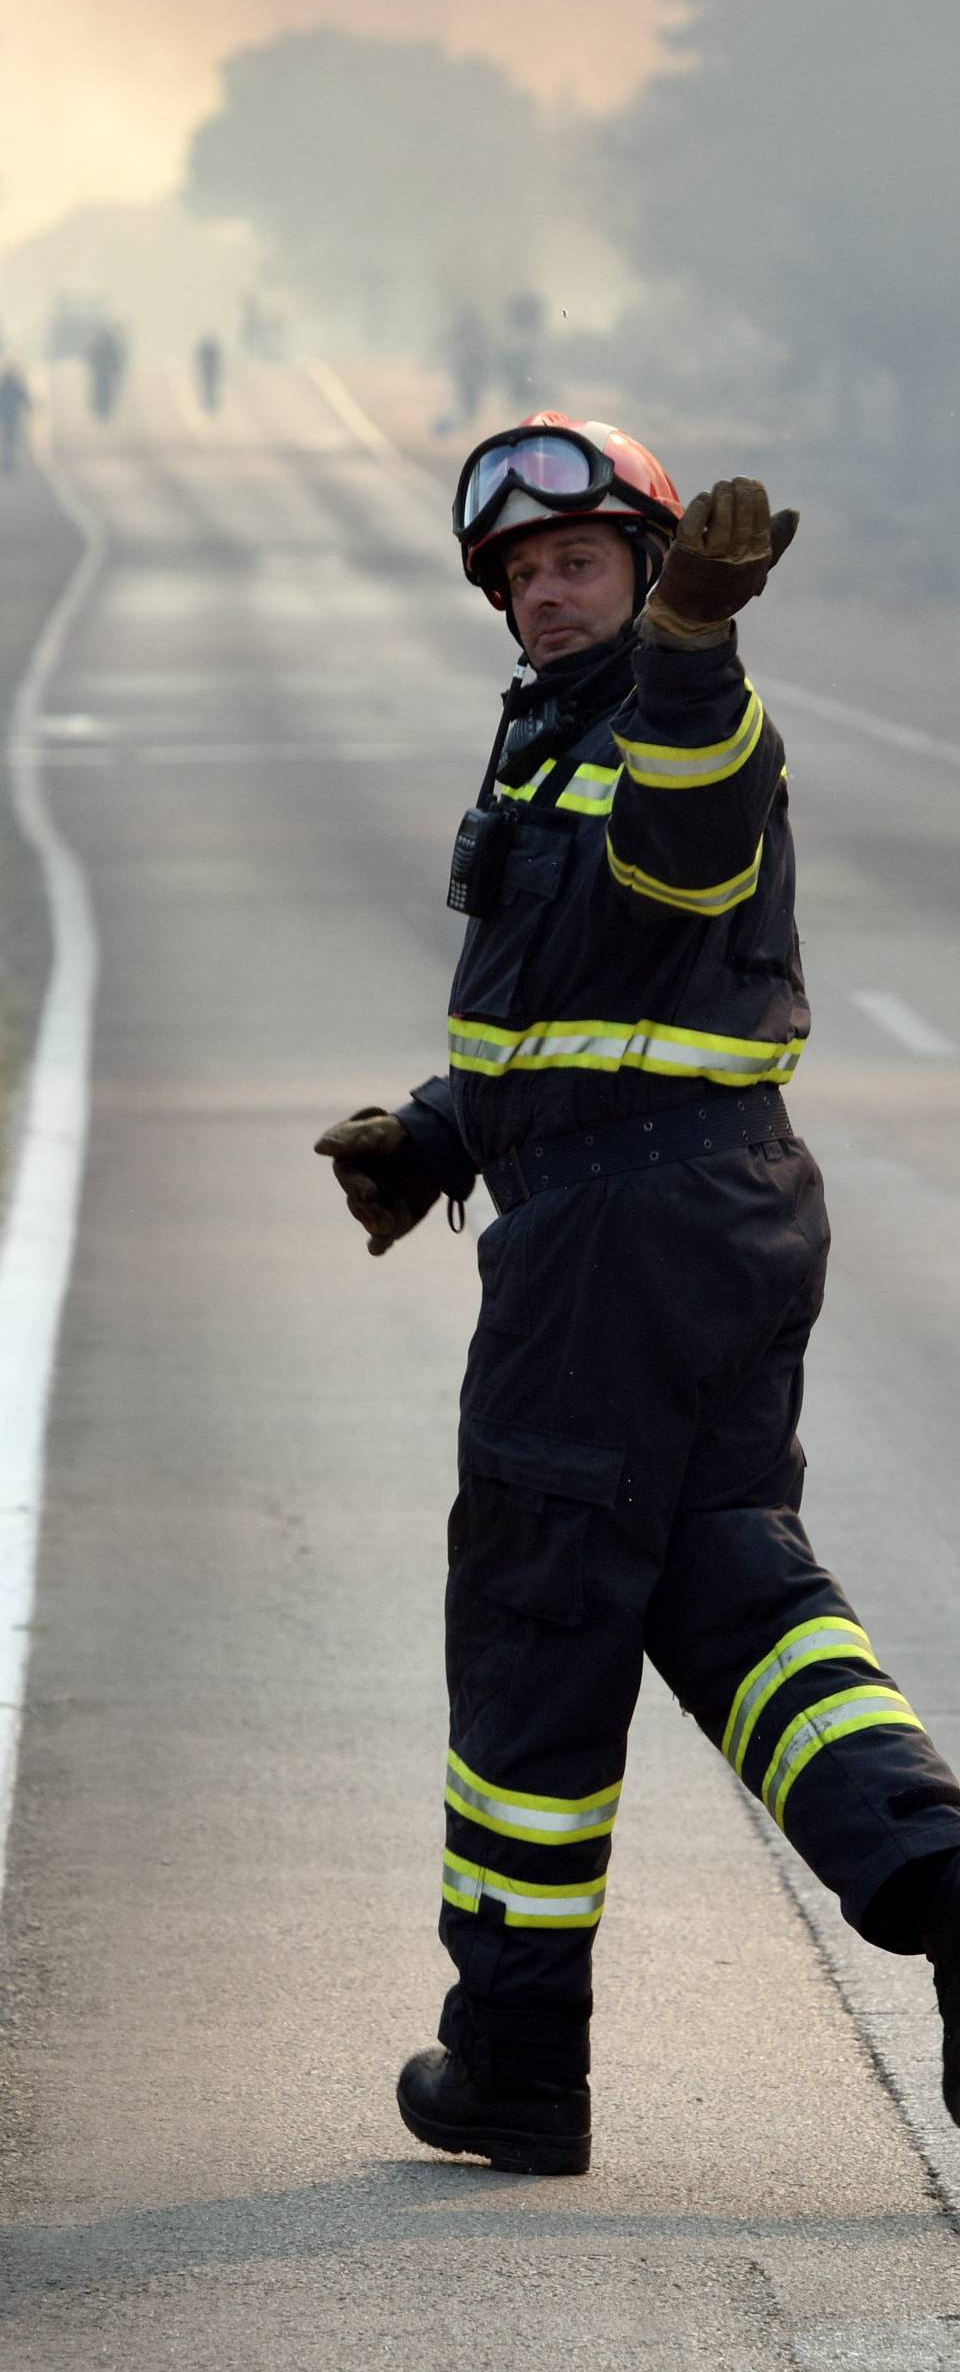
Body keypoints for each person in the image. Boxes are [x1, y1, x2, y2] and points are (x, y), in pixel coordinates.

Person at [315, 413, 960, 2178]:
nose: (541, 593)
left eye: (576, 561)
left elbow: (682, 851)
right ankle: (944, 1879)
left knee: (538, 1615)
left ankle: (515, 2062)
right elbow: (578, 1001)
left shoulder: (686, 716)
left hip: (620, 1246)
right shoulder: (547, 738)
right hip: (695, 1213)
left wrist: (692, 642)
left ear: (656, 566)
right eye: (518, 576)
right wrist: (443, 1133)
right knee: (731, 1580)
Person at [0, 361, 32, 474]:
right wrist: (30, 407)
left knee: (5, 439)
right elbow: (24, 397)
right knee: (10, 439)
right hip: (12, 416)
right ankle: (9, 462)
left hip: (4, 416)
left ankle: (6, 462)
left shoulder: (2, 386)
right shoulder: (14, 385)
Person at [194, 333, 224, 416]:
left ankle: (210, 404)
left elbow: (217, 362)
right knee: (208, 388)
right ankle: (208, 404)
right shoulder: (209, 351)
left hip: (210, 373)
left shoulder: (209, 351)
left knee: (210, 388)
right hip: (208, 373)